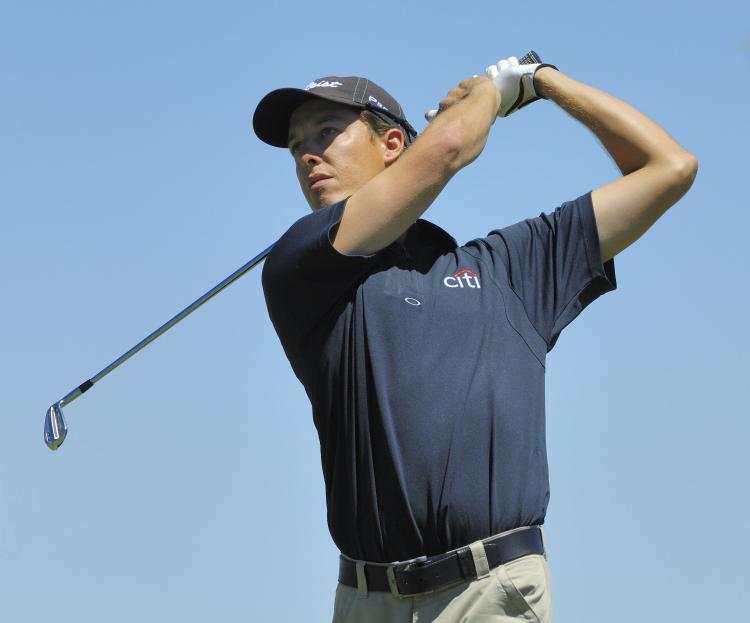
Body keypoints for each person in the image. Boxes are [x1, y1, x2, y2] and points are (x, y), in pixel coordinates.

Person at [252, 56, 697, 622]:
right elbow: (449, 148)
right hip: (366, 602)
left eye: (327, 132)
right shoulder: (302, 262)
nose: (308, 155)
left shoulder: (508, 269)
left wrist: (545, 83)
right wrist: (494, 91)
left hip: (489, 593)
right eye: (296, 146)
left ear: (392, 144)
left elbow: (669, 167)